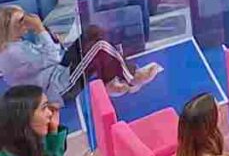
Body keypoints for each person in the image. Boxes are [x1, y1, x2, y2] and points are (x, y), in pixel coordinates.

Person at [0, 7, 160, 108]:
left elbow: (51, 55)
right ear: (7, 28)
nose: (25, 23)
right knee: (99, 47)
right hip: (59, 87)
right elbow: (52, 58)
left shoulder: (17, 43)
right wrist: (39, 29)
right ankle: (131, 78)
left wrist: (47, 36)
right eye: (20, 21)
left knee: (92, 32)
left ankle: (110, 81)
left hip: (56, 72)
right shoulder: (12, 53)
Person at [0, 85, 103, 156]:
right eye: (44, 108)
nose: (50, 113)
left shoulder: (8, 152)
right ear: (25, 117)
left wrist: (53, 130)